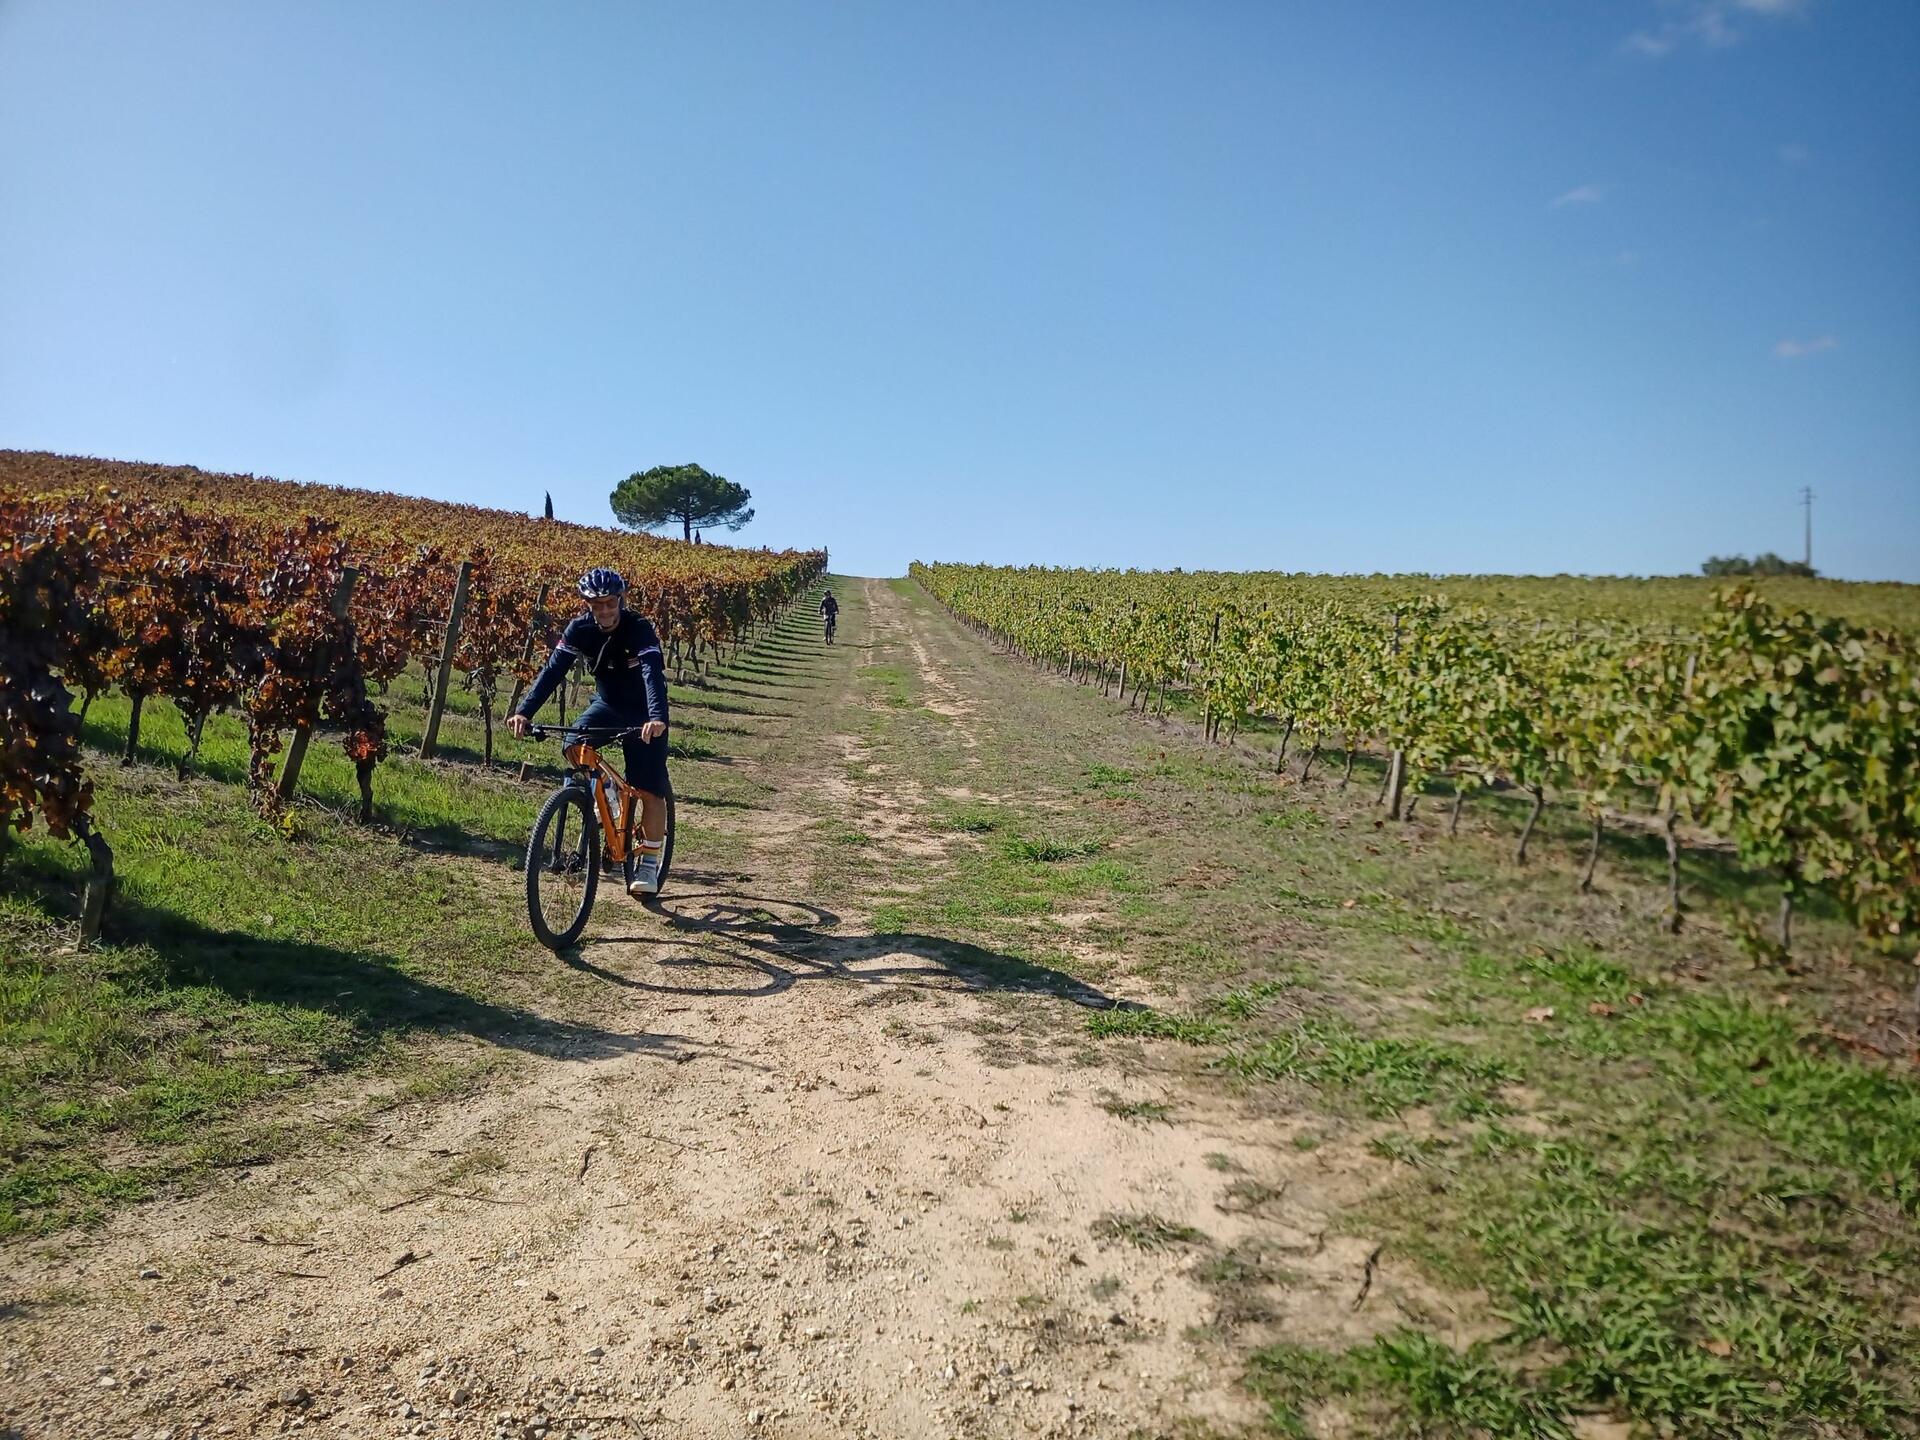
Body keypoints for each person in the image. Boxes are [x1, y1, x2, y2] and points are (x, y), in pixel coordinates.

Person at [507, 568, 671, 896]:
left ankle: (649, 864)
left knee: (649, 788)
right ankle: (606, 795)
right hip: (608, 705)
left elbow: (652, 674)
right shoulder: (579, 629)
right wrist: (524, 712)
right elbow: (553, 671)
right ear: (588, 605)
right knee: (573, 746)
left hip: (644, 713)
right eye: (597, 605)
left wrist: (656, 718)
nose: (605, 611)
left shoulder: (639, 628)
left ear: (620, 600)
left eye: (610, 604)